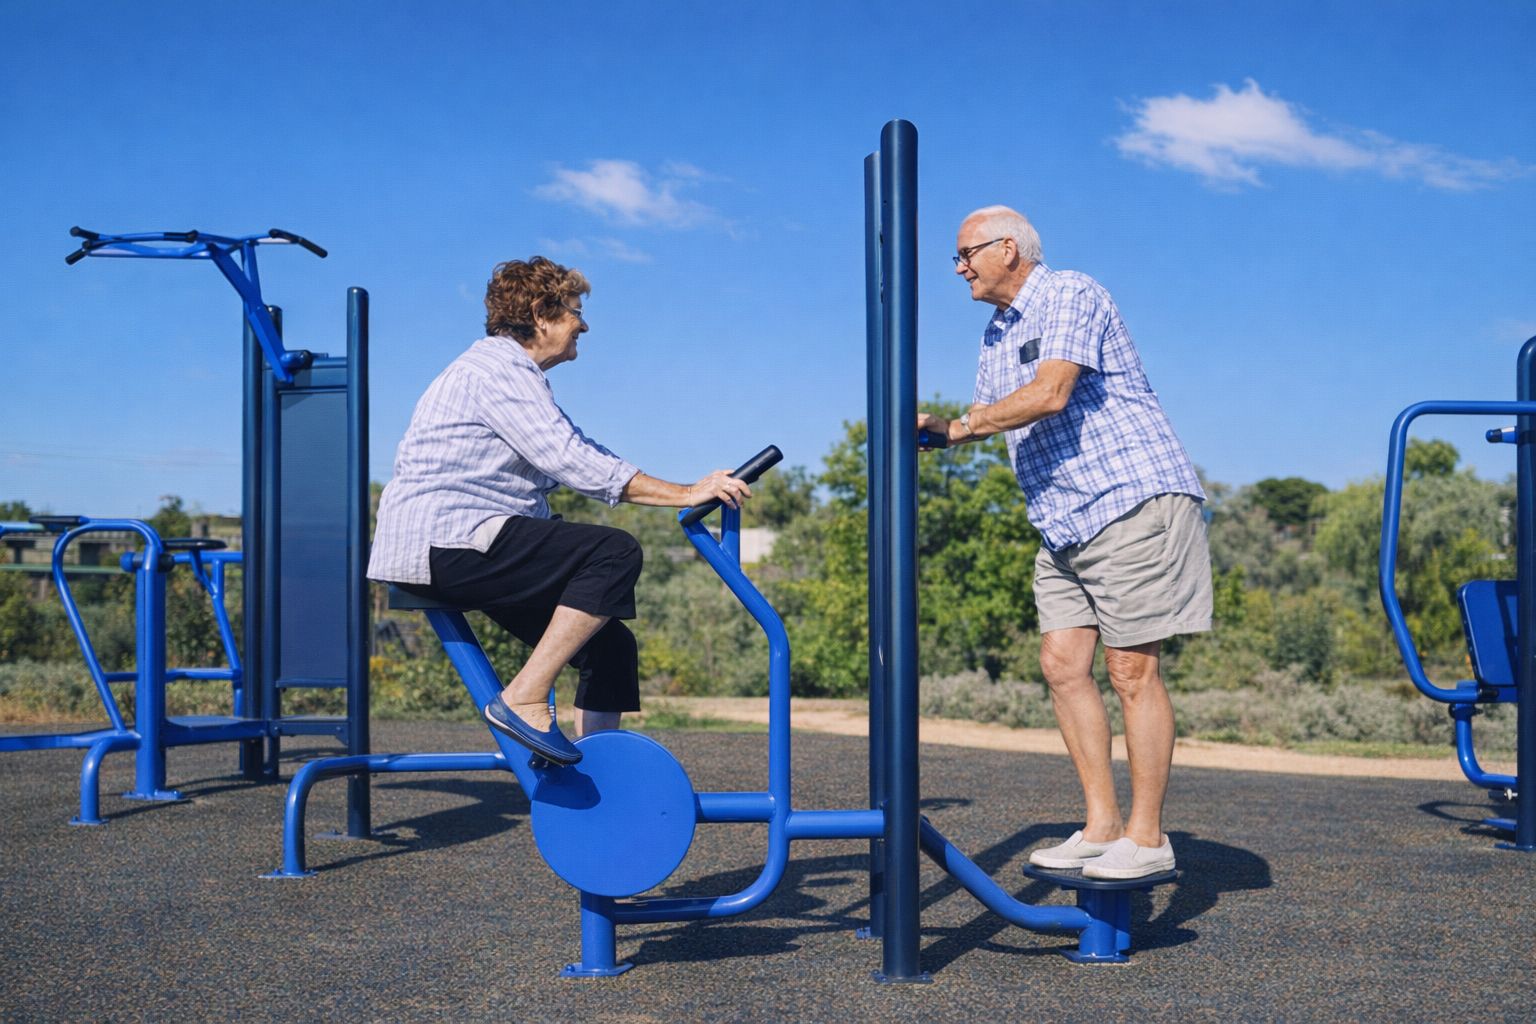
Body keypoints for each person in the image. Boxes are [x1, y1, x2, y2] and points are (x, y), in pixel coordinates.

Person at [918, 206, 1211, 880]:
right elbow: (988, 418)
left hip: (1128, 499)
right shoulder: (995, 335)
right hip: (1062, 521)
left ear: (1008, 248)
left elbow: (1050, 394)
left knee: (1131, 670)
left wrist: (961, 428)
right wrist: (939, 430)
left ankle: (1147, 836)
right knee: (1062, 665)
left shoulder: (1071, 292)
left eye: (965, 254)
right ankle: (1103, 826)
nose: (959, 269)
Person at [368, 256, 751, 766]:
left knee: (610, 647)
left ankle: (596, 778)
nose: (583, 325)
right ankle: (523, 697)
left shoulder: (513, 375)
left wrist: (677, 487)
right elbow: (570, 458)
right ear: (540, 313)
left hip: (466, 541)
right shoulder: (498, 371)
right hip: (444, 543)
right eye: (575, 311)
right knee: (613, 553)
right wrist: (685, 493)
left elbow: (575, 447)